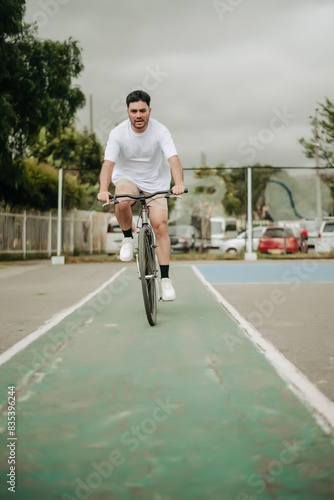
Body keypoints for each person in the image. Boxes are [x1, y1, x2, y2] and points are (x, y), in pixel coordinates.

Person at [97, 90, 185, 301]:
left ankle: (165, 280)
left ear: (149, 111)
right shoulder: (118, 133)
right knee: (121, 200)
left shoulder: (161, 131)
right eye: (134, 111)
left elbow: (173, 159)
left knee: (160, 225)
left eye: (142, 110)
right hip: (128, 179)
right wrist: (103, 189)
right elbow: (108, 164)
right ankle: (128, 239)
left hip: (156, 182)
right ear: (127, 111)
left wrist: (179, 183)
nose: (138, 115)